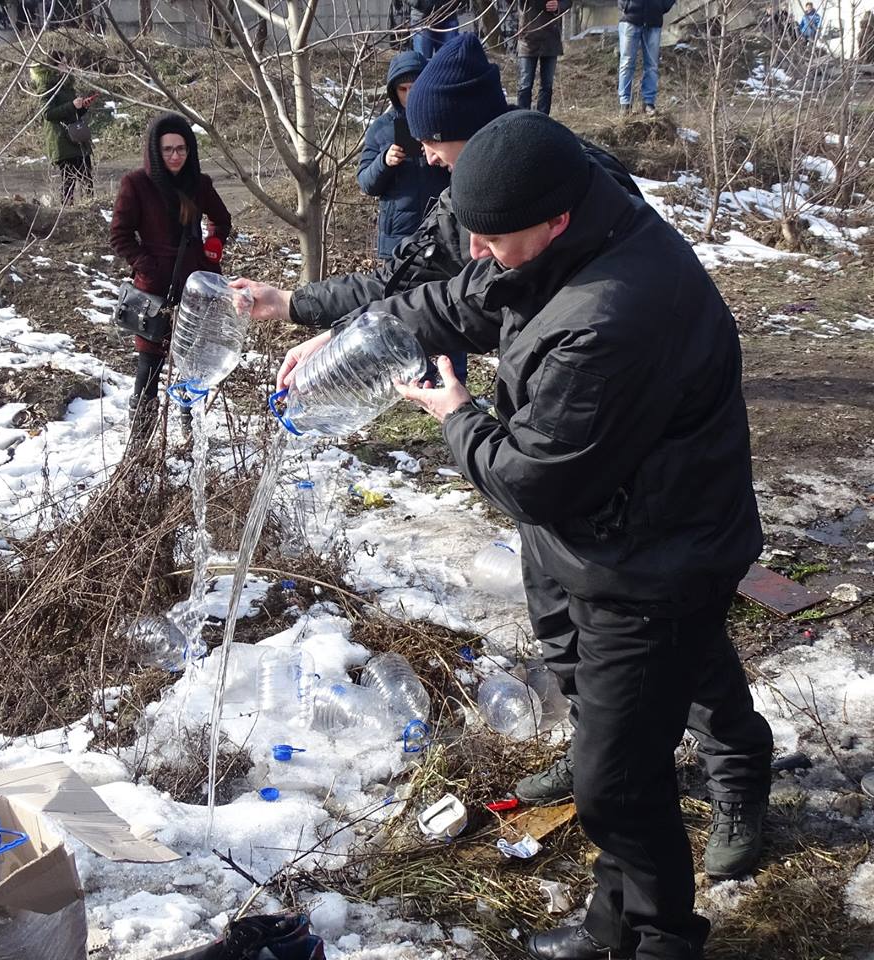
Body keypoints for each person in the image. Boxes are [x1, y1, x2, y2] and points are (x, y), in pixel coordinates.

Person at [278, 112, 775, 958]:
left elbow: (532, 477)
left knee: (614, 785)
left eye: (495, 237)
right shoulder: (560, 240)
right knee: (617, 764)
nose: (479, 251)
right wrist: (361, 332)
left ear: (556, 222)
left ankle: (662, 938)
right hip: (607, 541)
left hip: (653, 565)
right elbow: (468, 296)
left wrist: (457, 413)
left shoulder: (613, 315)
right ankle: (611, 923)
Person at [233, 34, 639, 337]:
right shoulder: (478, 195)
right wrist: (291, 303)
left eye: (430, 141)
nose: (426, 156)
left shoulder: (584, 184)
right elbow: (404, 284)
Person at [110, 113, 232, 427]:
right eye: (168, 150)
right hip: (154, 292)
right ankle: (141, 442)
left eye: (181, 149)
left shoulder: (199, 184)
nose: (175, 156)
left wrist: (211, 250)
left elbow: (221, 220)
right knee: (149, 365)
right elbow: (120, 235)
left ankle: (189, 427)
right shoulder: (136, 184)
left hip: (195, 285)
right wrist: (146, 265)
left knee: (192, 360)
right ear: (155, 151)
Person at [358, 51, 465, 382]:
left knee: (446, 309)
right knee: (400, 313)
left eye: (416, 86)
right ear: (394, 92)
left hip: (442, 235)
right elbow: (366, 183)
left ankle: (451, 379)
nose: (410, 94)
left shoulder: (445, 123)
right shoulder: (381, 129)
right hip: (399, 238)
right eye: (403, 89)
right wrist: (385, 162)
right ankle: (408, 379)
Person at [30, 52, 95, 203]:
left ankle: (90, 208)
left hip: (76, 137)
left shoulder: (66, 84)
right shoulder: (47, 85)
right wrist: (71, 105)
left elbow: (72, 112)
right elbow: (47, 113)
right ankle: (67, 212)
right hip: (62, 140)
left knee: (87, 178)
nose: (67, 66)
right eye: (63, 63)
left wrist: (82, 107)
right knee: (69, 181)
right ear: (54, 66)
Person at [617, 0, 676, 116]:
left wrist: (662, 6)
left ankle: (649, 103)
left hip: (654, 20)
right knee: (627, 63)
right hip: (630, 19)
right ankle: (625, 104)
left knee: (652, 65)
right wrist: (625, 5)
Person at [516, 0, 572, 115]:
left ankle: (543, 120)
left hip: (550, 38)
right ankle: (521, 119)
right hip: (527, 38)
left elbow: (568, 2)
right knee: (525, 84)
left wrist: (559, 6)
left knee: (547, 84)